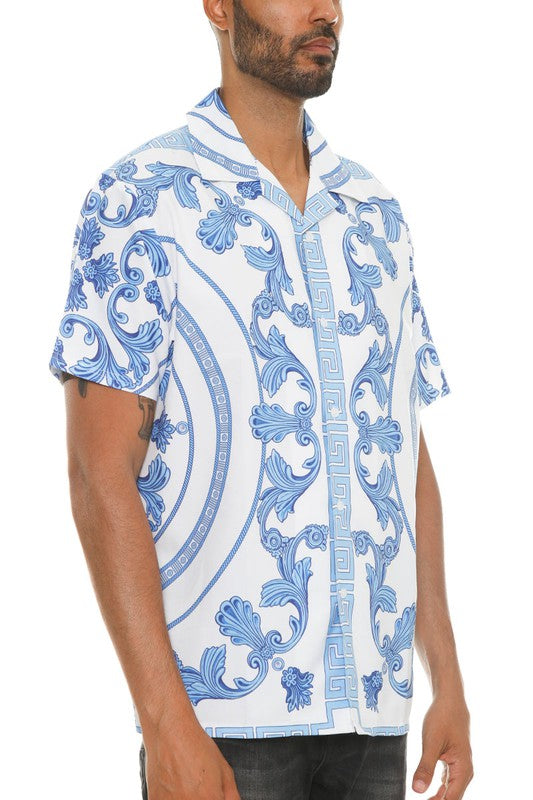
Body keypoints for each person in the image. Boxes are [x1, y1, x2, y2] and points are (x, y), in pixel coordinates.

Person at [48, 1, 473, 798]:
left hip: (374, 718)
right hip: (221, 726)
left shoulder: (375, 214)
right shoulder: (142, 198)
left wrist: (444, 679)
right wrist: (165, 723)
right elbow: (98, 473)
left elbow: (400, 456)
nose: (325, 11)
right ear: (218, 6)